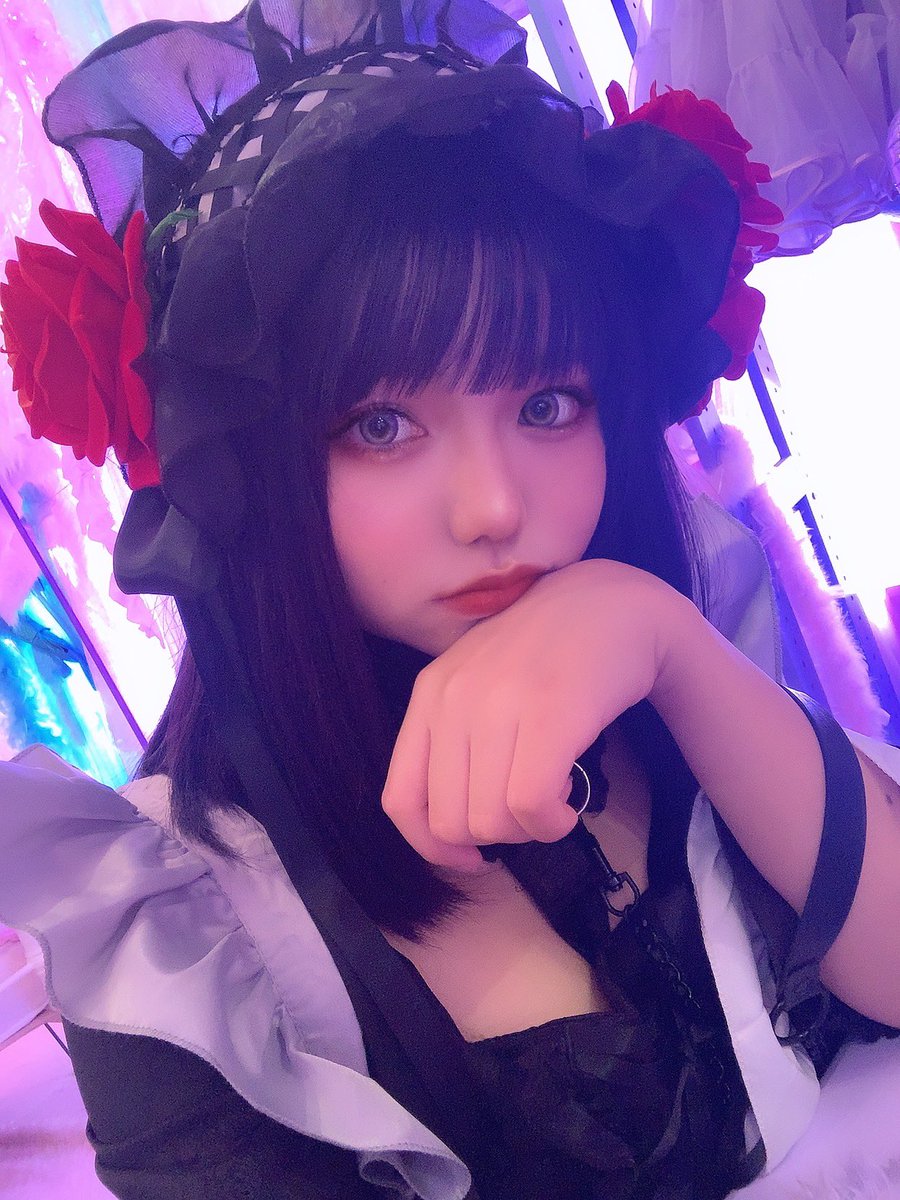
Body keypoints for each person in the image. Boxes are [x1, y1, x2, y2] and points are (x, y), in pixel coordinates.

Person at [0, 2, 898, 1198]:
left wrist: (670, 646)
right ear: (249, 466)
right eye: (382, 425)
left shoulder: (667, 665)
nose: (492, 506)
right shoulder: (187, 929)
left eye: (548, 404)